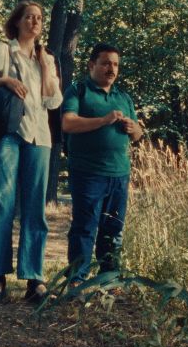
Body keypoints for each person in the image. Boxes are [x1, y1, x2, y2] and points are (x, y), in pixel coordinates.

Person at [0, 0, 62, 303]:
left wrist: (47, 68)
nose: (35, 22)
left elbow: (53, 103)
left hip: (40, 138)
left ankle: (34, 279)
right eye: (29, 17)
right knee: (2, 205)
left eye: (38, 18)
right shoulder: (2, 51)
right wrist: (4, 81)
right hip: (7, 135)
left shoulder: (45, 58)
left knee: (35, 209)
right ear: (17, 22)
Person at [61, 43, 143, 289]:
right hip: (88, 173)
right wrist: (103, 120)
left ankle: (110, 281)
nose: (111, 69)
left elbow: (139, 134)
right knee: (85, 227)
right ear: (92, 65)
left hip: (119, 173)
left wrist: (133, 128)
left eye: (115, 64)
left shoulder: (123, 97)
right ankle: (77, 281)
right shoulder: (79, 91)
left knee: (113, 230)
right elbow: (68, 123)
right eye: (106, 63)